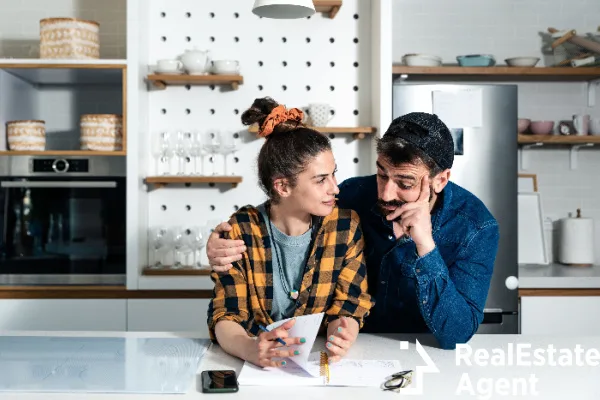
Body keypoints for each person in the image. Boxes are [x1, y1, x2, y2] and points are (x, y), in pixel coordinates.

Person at [207, 112, 500, 350]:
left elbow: (458, 335)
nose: (385, 193)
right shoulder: (352, 195)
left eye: (405, 184)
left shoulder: (476, 227)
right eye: (382, 174)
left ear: (441, 180)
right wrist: (222, 241)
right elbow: (288, 205)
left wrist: (426, 246)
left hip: (422, 353)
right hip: (354, 349)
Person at [207, 97, 375, 368]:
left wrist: (343, 332)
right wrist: (251, 349)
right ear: (283, 187)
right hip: (251, 367)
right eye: (321, 180)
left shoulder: (345, 226)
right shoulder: (240, 230)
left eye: (333, 174)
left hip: (314, 362)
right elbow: (226, 315)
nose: (335, 188)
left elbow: (349, 304)